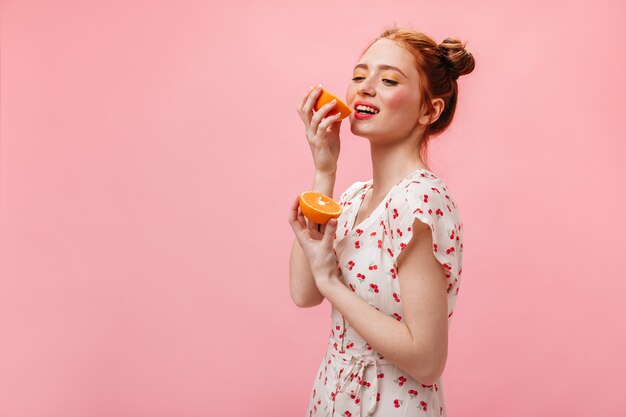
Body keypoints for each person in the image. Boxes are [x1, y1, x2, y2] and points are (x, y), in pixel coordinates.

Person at [288, 27, 475, 417]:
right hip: (333, 397)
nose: (364, 88)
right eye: (359, 76)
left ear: (430, 110)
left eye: (388, 80)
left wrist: (331, 283)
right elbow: (304, 293)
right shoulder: (354, 197)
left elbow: (426, 360)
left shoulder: (419, 201)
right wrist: (325, 170)